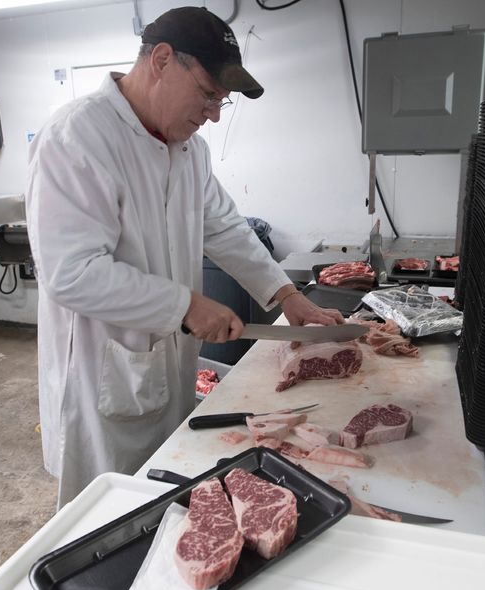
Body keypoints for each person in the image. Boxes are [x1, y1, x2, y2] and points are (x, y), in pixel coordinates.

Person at [26, 6, 343, 507]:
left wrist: (286, 297)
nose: (214, 113)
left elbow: (224, 227)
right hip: (106, 373)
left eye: (223, 100)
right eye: (208, 94)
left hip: (165, 367)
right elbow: (71, 274)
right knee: (106, 515)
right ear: (162, 59)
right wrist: (187, 306)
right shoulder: (77, 138)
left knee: (171, 499)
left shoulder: (189, 149)